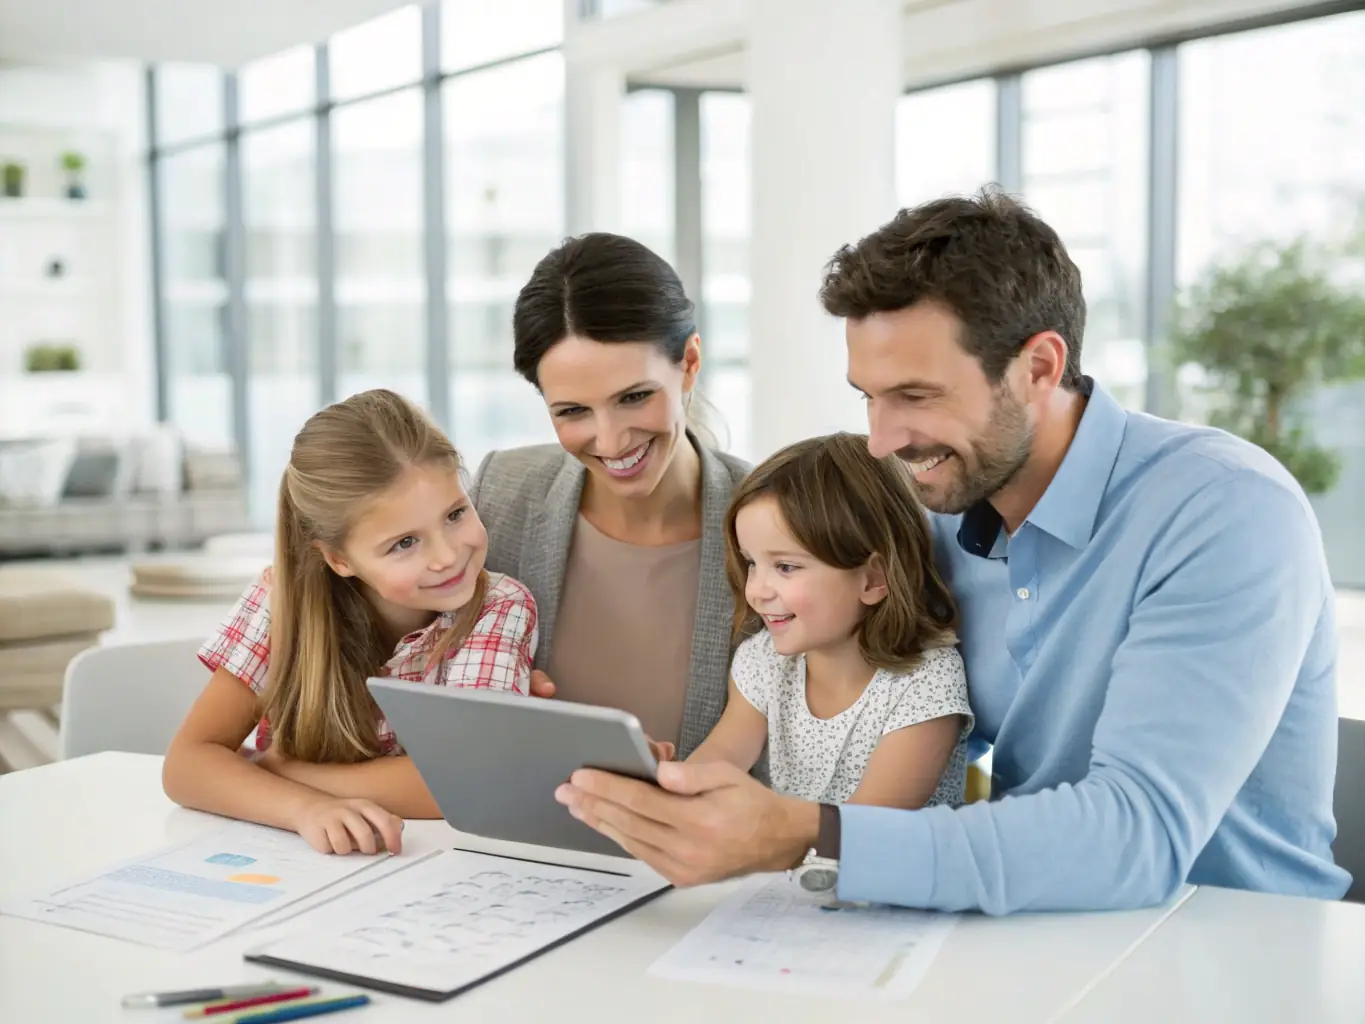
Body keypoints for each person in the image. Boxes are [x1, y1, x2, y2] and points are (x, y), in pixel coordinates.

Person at [554, 188, 1352, 913]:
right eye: (868, 398)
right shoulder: (933, 516)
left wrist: (812, 833)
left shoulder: (1221, 510)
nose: (881, 439)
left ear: (1038, 366)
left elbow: (1137, 834)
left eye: (915, 396)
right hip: (1031, 928)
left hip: (1236, 941)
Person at [163, 389, 538, 856]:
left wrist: (280, 771)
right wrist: (304, 808)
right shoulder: (282, 601)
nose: (448, 555)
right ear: (339, 559)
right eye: (404, 543)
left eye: (455, 514)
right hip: (297, 861)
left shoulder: (497, 606)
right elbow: (186, 765)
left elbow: (471, 781)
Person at [469, 232, 750, 762]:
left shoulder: (776, 517)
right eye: (572, 411)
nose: (612, 441)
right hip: (522, 837)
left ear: (690, 361)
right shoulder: (499, 496)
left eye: (635, 397)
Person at [682, 432, 973, 812]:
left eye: (785, 567)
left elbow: (865, 829)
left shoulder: (926, 682)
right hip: (793, 868)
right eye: (752, 563)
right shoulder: (764, 662)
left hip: (889, 869)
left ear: (873, 579)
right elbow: (716, 767)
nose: (756, 591)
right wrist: (669, 784)